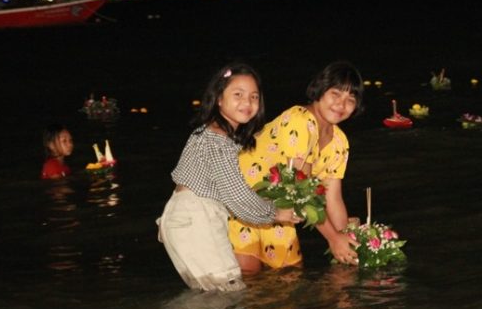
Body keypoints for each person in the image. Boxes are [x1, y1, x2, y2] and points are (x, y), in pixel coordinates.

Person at [156, 63, 301, 292]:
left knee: (210, 295)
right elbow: (237, 196)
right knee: (228, 292)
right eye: (238, 94)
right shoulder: (217, 139)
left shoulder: (208, 133)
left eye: (254, 96)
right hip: (196, 217)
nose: (247, 102)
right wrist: (276, 213)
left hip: (185, 217)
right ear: (218, 99)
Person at [228, 60, 364, 274]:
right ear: (320, 90)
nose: (341, 104)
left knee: (288, 279)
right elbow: (301, 189)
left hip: (280, 213)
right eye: (336, 94)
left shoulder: (339, 142)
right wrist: (333, 237)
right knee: (249, 278)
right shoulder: (300, 120)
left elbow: (333, 197)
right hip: (243, 201)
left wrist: (346, 239)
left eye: (350, 99)